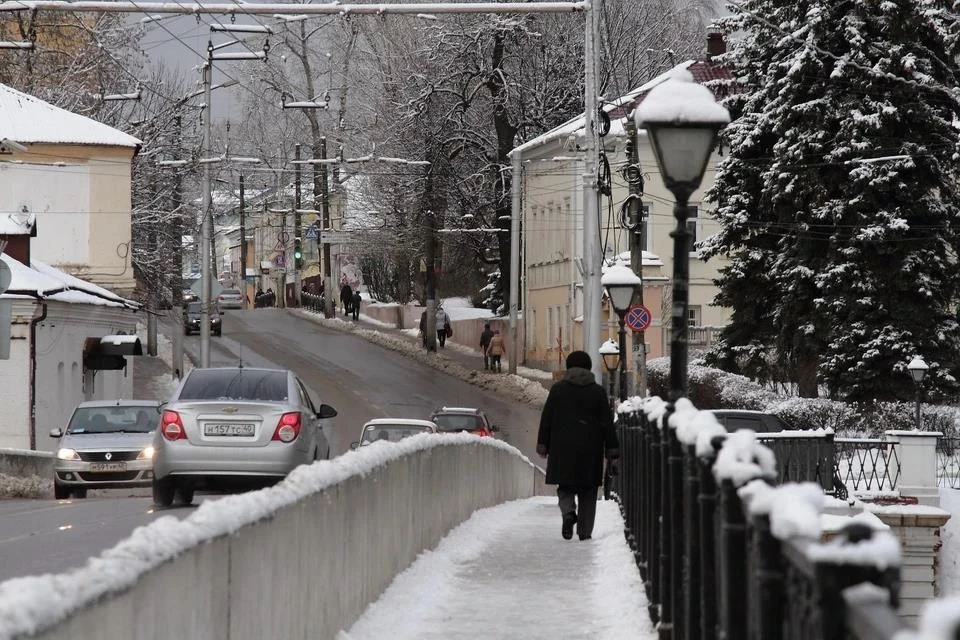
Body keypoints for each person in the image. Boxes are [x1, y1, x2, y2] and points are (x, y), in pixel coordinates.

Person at [536, 351, 619, 541]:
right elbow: (607, 422)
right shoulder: (597, 392)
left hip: (562, 450)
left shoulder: (557, 390)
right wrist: (612, 449)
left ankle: (568, 514)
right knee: (588, 492)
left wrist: (543, 444)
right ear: (589, 368)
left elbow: (546, 418)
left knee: (565, 487)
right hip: (590, 451)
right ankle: (584, 532)